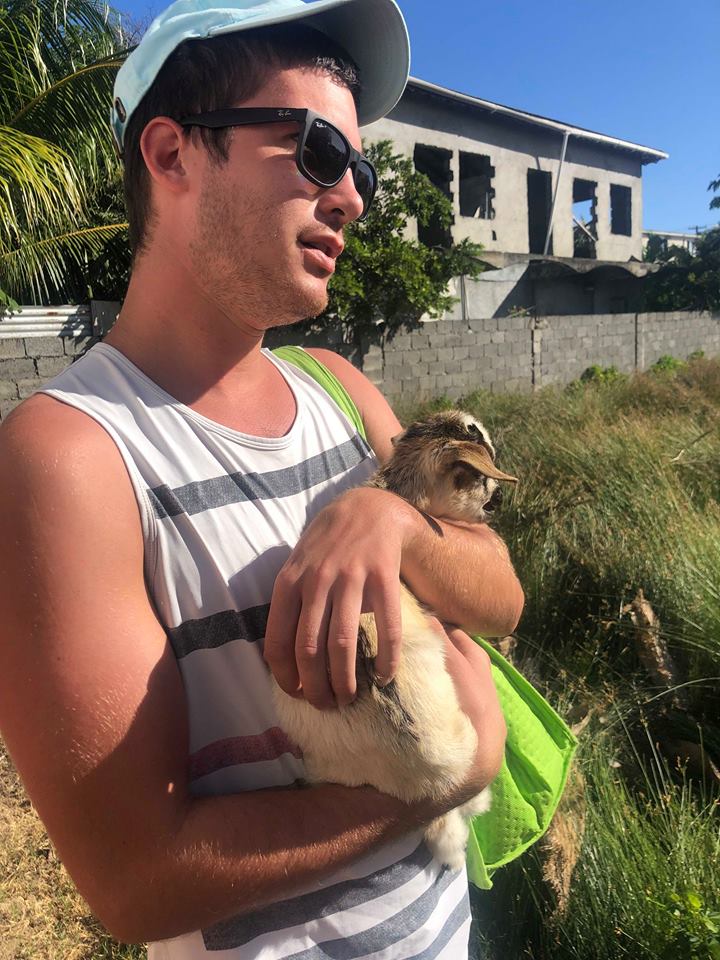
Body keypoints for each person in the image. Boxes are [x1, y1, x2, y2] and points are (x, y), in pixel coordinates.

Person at [0, 0, 523, 956]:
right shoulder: (70, 458)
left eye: (360, 168)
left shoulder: (340, 390)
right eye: (318, 150)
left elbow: (501, 597)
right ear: (173, 154)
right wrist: (446, 773)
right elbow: (138, 882)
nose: (353, 197)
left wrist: (397, 526)